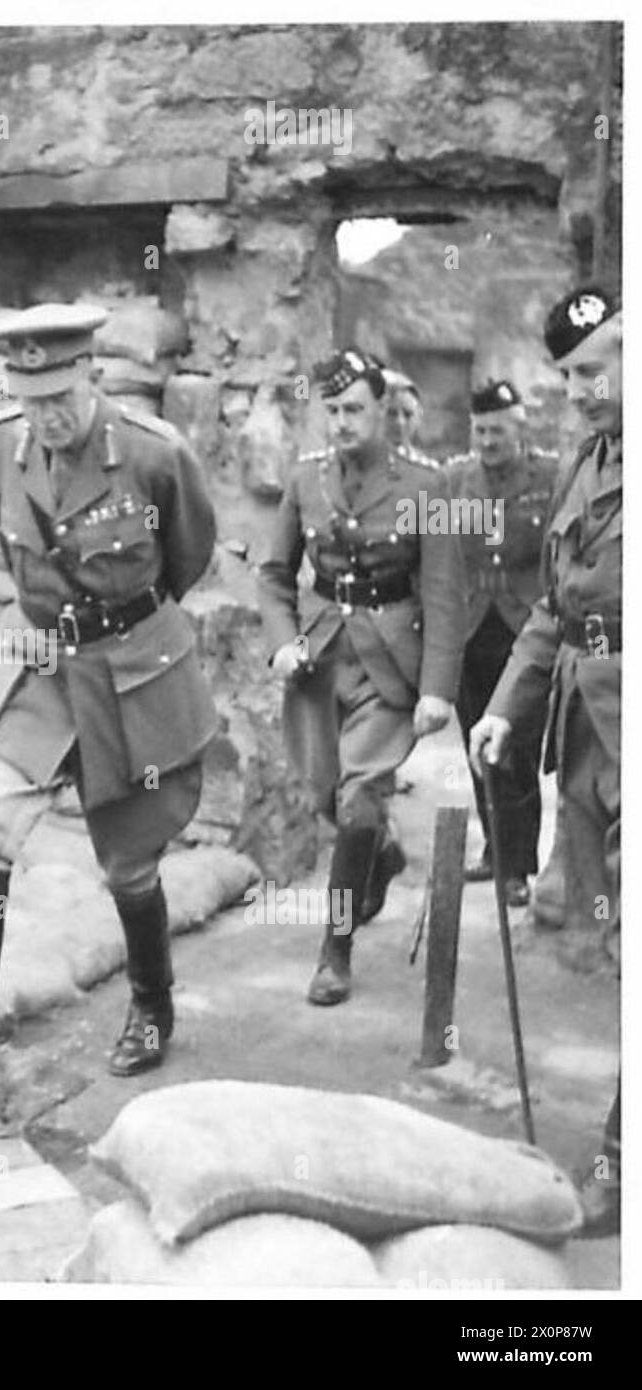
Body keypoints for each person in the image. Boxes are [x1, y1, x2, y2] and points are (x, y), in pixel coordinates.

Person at [0, 304, 218, 1128]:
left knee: (128, 864)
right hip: (40, 658)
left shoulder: (153, 456)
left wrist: (122, 625)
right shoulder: (1, 441)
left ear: (93, 379)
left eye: (61, 399)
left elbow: (188, 556)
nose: (47, 417)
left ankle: (151, 1002)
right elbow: (18, 558)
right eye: (31, 397)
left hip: (129, 672)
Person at [469, 286, 622, 1236]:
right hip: (590, 740)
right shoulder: (585, 461)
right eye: (569, 374)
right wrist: (501, 711)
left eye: (600, 363)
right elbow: (551, 611)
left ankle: (618, 1152)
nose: (583, 387)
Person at [258, 348, 466, 1006]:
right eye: (332, 410)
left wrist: (437, 689)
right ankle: (375, 853)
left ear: (381, 411)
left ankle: (334, 952)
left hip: (389, 666)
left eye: (353, 409)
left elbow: (442, 590)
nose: (341, 422)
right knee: (324, 795)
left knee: (356, 798)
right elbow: (271, 576)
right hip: (320, 659)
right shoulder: (304, 480)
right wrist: (279, 643)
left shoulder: (425, 487)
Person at [445, 380, 559, 907]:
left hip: (522, 633)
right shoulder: (454, 480)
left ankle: (517, 865)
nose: (488, 440)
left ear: (521, 429)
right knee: (476, 745)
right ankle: (494, 850)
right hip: (471, 630)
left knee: (516, 748)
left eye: (498, 430)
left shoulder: (551, 477)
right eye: (481, 429)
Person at [384, 369, 440, 469]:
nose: (400, 422)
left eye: (408, 414)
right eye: (391, 413)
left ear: (419, 416)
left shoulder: (428, 470)